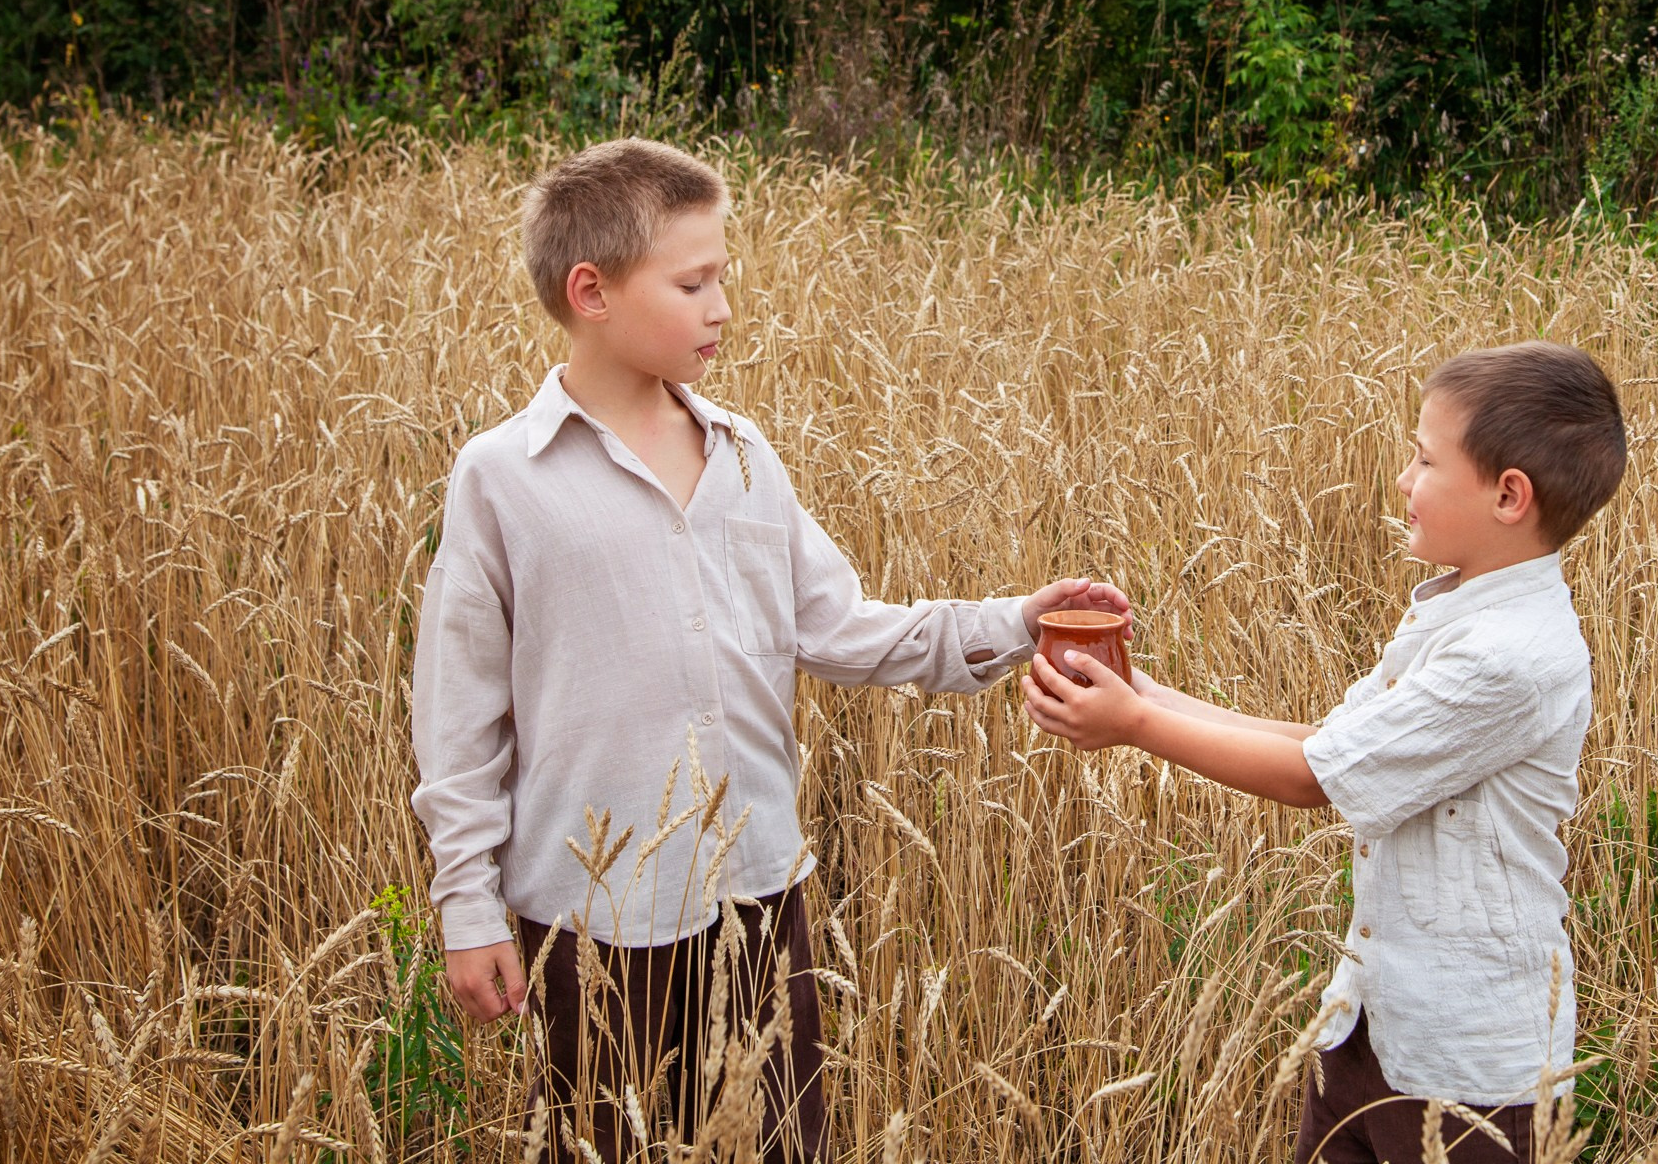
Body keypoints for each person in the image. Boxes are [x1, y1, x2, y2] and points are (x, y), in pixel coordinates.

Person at [411, 138, 1129, 1163]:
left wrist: (1014, 620)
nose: (722, 307)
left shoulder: (745, 456)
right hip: (591, 914)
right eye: (693, 281)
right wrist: (465, 903)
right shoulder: (502, 478)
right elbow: (457, 713)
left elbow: (842, 629)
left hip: (755, 891)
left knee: (786, 1141)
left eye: (724, 280)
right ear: (591, 290)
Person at [1024, 342, 1625, 1164]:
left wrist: (1133, 724)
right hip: (1372, 1026)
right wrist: (1139, 690)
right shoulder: (1456, 615)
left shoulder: (1509, 659)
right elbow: (1328, 744)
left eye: (1424, 459)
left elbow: (1316, 779)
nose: (1404, 481)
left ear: (1508, 495)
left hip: (1466, 1072)